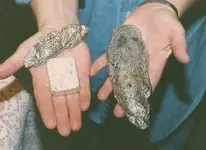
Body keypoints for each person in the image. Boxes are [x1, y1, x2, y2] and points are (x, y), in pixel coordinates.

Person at [1, 0, 205, 149]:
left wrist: (168, 4)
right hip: (86, 71)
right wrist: (57, 16)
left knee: (162, 137)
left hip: (170, 73)